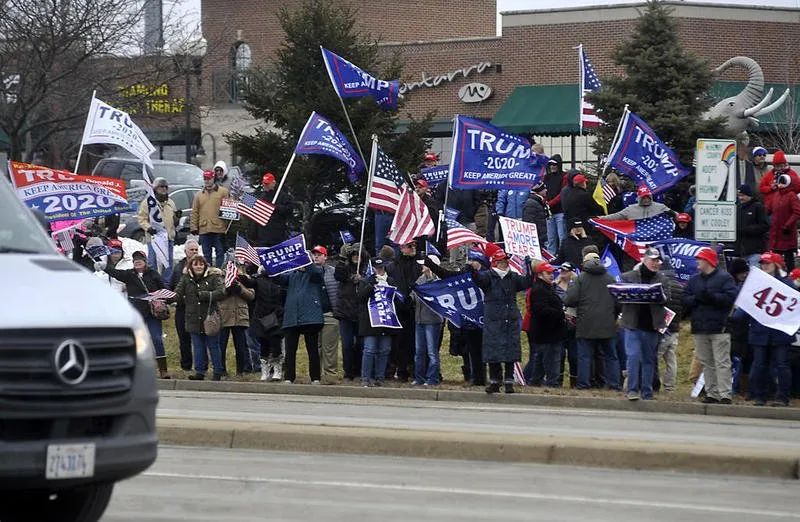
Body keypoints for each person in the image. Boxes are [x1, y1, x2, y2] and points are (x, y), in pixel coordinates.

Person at [734, 252, 793, 406]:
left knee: (781, 365)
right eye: (762, 263)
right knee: (759, 365)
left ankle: (782, 397)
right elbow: (746, 307)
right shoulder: (756, 284)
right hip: (759, 332)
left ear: (776, 265)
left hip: (780, 333)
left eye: (768, 263)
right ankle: (760, 396)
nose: (764, 265)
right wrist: (735, 317)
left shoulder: (787, 285)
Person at [471, 243, 532, 394]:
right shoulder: (489, 276)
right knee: (494, 351)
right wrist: (472, 270)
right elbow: (479, 280)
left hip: (509, 318)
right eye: (502, 262)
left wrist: (529, 267)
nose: (505, 264)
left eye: (506, 262)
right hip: (493, 318)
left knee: (510, 351)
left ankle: (509, 381)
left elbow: (527, 282)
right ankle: (495, 381)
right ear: (496, 263)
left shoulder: (513, 277)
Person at [100, 250, 170, 379]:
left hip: (152, 313)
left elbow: (164, 289)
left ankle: (163, 370)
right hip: (136, 314)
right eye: (135, 260)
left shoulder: (153, 274)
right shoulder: (130, 274)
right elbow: (116, 273)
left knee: (157, 339)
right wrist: (104, 267)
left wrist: (158, 298)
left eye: (140, 259)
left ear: (145, 262)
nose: (137, 261)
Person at [683, 247, 738, 404]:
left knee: (722, 362)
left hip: (719, 326)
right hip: (700, 326)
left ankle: (725, 394)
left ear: (708, 260)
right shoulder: (694, 280)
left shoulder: (725, 278)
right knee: (707, 362)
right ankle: (712, 393)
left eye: (700, 259)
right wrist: (697, 299)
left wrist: (711, 297)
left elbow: (730, 298)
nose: (697, 262)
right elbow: (685, 298)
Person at [618, 247, 671, 401]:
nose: (656, 263)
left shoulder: (662, 279)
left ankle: (647, 392)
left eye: (658, 260)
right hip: (632, 325)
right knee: (633, 357)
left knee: (649, 359)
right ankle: (632, 390)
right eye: (653, 260)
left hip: (652, 326)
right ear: (645, 260)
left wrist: (656, 295)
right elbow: (619, 297)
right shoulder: (628, 276)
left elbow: (667, 299)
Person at [564, 253, 620, 391]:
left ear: (584, 264)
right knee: (611, 357)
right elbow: (619, 302)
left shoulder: (580, 279)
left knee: (584, 356)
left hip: (586, 324)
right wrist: (613, 316)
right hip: (607, 324)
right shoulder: (610, 278)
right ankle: (614, 385)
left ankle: (583, 385)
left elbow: (570, 300)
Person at [174, 254, 226, 380]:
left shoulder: (214, 277)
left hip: (210, 318)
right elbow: (178, 293)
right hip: (192, 318)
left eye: (201, 264)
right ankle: (200, 371)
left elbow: (221, 292)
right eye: (195, 264)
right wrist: (166, 297)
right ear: (191, 266)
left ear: (205, 265)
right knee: (198, 347)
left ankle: (218, 371)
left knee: (213, 346)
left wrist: (204, 295)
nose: (198, 267)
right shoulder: (186, 278)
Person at [279, 261, 325, 384]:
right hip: (292, 316)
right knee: (290, 349)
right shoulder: (291, 274)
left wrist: (307, 261)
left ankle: (315, 377)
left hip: (311, 317)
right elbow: (279, 278)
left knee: (312, 349)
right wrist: (268, 268)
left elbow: (316, 273)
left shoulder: (316, 272)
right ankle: (289, 377)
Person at [357, 258, 400, 387]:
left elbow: (396, 299)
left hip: (386, 321)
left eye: (381, 267)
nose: (379, 270)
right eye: (377, 268)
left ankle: (380, 377)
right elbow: (360, 298)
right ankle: (365, 378)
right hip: (370, 321)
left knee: (384, 350)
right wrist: (370, 285)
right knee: (369, 349)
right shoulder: (366, 280)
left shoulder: (391, 281)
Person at [240, 265, 286, 382]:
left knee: (276, 343)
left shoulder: (281, 280)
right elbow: (248, 282)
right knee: (264, 344)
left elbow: (285, 297)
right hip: (261, 316)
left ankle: (277, 370)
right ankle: (265, 370)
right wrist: (238, 273)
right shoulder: (258, 280)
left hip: (277, 315)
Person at [525, 262, 565, 387]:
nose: (551, 275)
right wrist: (560, 313)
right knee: (551, 361)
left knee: (540, 361)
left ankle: (535, 382)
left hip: (547, 331)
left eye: (552, 273)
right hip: (547, 332)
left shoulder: (545, 287)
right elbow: (540, 310)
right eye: (548, 273)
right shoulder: (539, 290)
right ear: (540, 274)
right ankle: (552, 384)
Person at [386, 240, 422, 382]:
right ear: (401, 248)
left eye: (414, 245)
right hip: (399, 309)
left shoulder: (420, 263)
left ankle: (414, 369)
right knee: (399, 342)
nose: (413, 248)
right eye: (409, 246)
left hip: (416, 307)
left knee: (415, 342)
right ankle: (401, 370)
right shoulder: (393, 266)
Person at [334, 244, 369, 381]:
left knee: (361, 344)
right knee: (347, 344)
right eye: (353, 254)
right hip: (345, 313)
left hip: (362, 313)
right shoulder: (345, 268)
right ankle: (348, 372)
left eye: (358, 254)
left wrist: (363, 280)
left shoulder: (367, 269)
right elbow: (338, 274)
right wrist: (342, 258)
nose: (356, 256)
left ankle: (360, 370)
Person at [218, 260, 256, 375]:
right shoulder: (219, 278)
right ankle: (221, 370)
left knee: (241, 346)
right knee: (221, 345)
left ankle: (241, 370)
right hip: (224, 315)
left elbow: (251, 295)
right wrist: (227, 289)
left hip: (240, 316)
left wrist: (240, 288)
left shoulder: (245, 279)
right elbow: (217, 294)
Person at [138, 176, 177, 281]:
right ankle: (153, 283)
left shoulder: (171, 203)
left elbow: (173, 219)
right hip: (154, 237)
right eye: (161, 187)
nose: (164, 189)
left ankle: (166, 284)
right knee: (152, 261)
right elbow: (141, 218)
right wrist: (148, 228)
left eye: (165, 187)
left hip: (168, 237)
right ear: (155, 189)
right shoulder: (148, 203)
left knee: (168, 263)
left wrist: (176, 219)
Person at [169, 239, 200, 371]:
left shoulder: (203, 265)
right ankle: (186, 366)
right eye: (191, 250)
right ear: (185, 251)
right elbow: (172, 286)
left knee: (198, 339)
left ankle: (200, 366)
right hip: (182, 308)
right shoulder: (178, 267)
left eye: (196, 250)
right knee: (184, 339)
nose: (194, 252)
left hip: (198, 308)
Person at [412, 264, 444, 386]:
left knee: (431, 351)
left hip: (433, 320)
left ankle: (432, 378)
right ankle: (419, 377)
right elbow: (414, 295)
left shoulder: (438, 281)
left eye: (425, 264)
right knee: (419, 351)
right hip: (419, 320)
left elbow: (437, 297)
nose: (422, 266)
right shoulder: (420, 279)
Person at [313, 245, 340, 385]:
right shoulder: (308, 272)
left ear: (325, 256)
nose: (316, 256)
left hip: (330, 313)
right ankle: (316, 375)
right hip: (312, 315)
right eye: (314, 254)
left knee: (329, 347)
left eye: (319, 254)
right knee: (315, 347)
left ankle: (330, 376)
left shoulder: (333, 272)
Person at [190, 170, 229, 267]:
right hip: (204, 228)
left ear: (213, 178)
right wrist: (193, 227)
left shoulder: (223, 192)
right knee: (206, 254)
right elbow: (195, 211)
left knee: (220, 252)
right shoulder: (199, 195)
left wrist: (228, 225)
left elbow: (229, 208)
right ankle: (208, 272)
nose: (207, 181)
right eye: (205, 179)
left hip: (219, 228)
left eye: (209, 178)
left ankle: (219, 272)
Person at [765, 173, 800, 270]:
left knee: (788, 258)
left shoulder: (791, 195)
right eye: (779, 182)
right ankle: (777, 276)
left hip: (786, 232)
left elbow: (797, 212)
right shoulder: (776, 195)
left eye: (783, 182)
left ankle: (791, 277)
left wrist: (787, 225)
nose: (780, 184)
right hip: (776, 232)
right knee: (775, 258)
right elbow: (769, 209)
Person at [249, 172, 293, 247]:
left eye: (267, 183)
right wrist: (254, 233)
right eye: (264, 183)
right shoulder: (262, 196)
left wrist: (276, 207)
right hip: (262, 235)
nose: (264, 185)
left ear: (273, 183)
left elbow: (289, 210)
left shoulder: (282, 196)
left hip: (276, 234)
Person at [555, 262, 579, 387]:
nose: (562, 273)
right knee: (559, 354)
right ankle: (557, 381)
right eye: (561, 270)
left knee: (574, 356)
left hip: (574, 325)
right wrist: (555, 283)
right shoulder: (555, 285)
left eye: (565, 271)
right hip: (559, 325)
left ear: (572, 271)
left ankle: (574, 382)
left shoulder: (576, 284)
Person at [735, 184, 770, 266]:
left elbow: (765, 226)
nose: (740, 198)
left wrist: (746, 230)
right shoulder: (738, 208)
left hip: (755, 250)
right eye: (739, 195)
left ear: (749, 195)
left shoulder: (758, 207)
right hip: (740, 251)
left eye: (742, 195)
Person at [599, 186, 673, 221]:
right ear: (639, 198)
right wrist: (600, 218)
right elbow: (616, 216)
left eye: (647, 197)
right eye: (643, 197)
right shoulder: (630, 209)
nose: (646, 199)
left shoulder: (660, 207)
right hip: (637, 239)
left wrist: (679, 216)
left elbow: (675, 215)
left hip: (655, 237)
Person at [543, 154, 568, 254]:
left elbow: (562, 193)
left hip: (560, 211)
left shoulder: (564, 176)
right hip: (549, 212)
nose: (552, 166)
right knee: (551, 238)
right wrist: (545, 203)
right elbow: (543, 191)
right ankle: (551, 256)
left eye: (555, 164)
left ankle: (563, 256)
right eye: (551, 164)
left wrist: (549, 203)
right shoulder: (546, 177)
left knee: (562, 236)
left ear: (559, 165)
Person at [522, 182, 550, 251]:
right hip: (537, 238)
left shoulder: (539, 201)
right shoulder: (531, 203)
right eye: (544, 189)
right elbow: (529, 222)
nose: (546, 190)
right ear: (539, 191)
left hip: (541, 236)